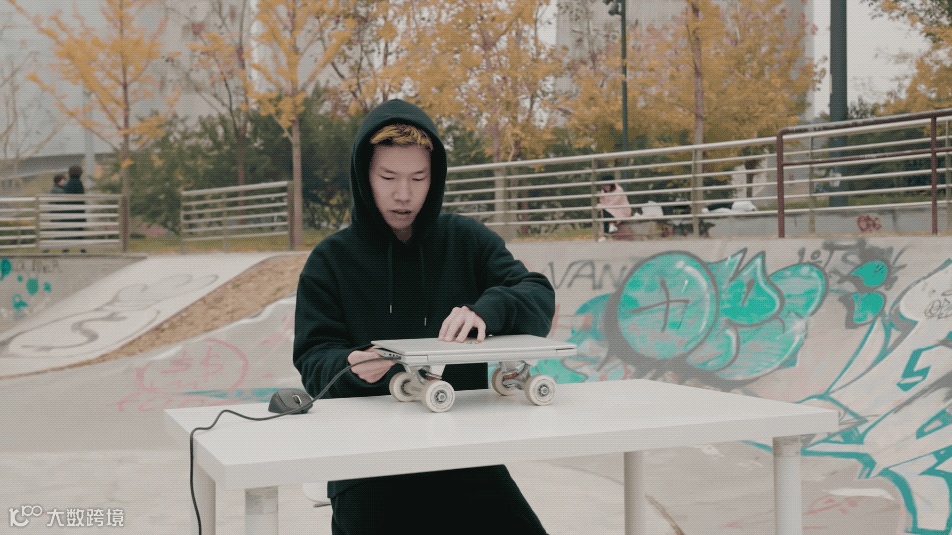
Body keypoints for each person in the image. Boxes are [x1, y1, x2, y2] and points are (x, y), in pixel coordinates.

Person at [293, 99, 555, 534]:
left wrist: (487, 310)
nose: (404, 194)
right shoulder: (330, 261)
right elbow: (313, 358)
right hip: (366, 467)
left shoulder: (466, 240)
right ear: (364, 176)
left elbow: (537, 295)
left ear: (435, 178)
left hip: (465, 459)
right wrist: (349, 365)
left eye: (418, 178)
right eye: (388, 178)